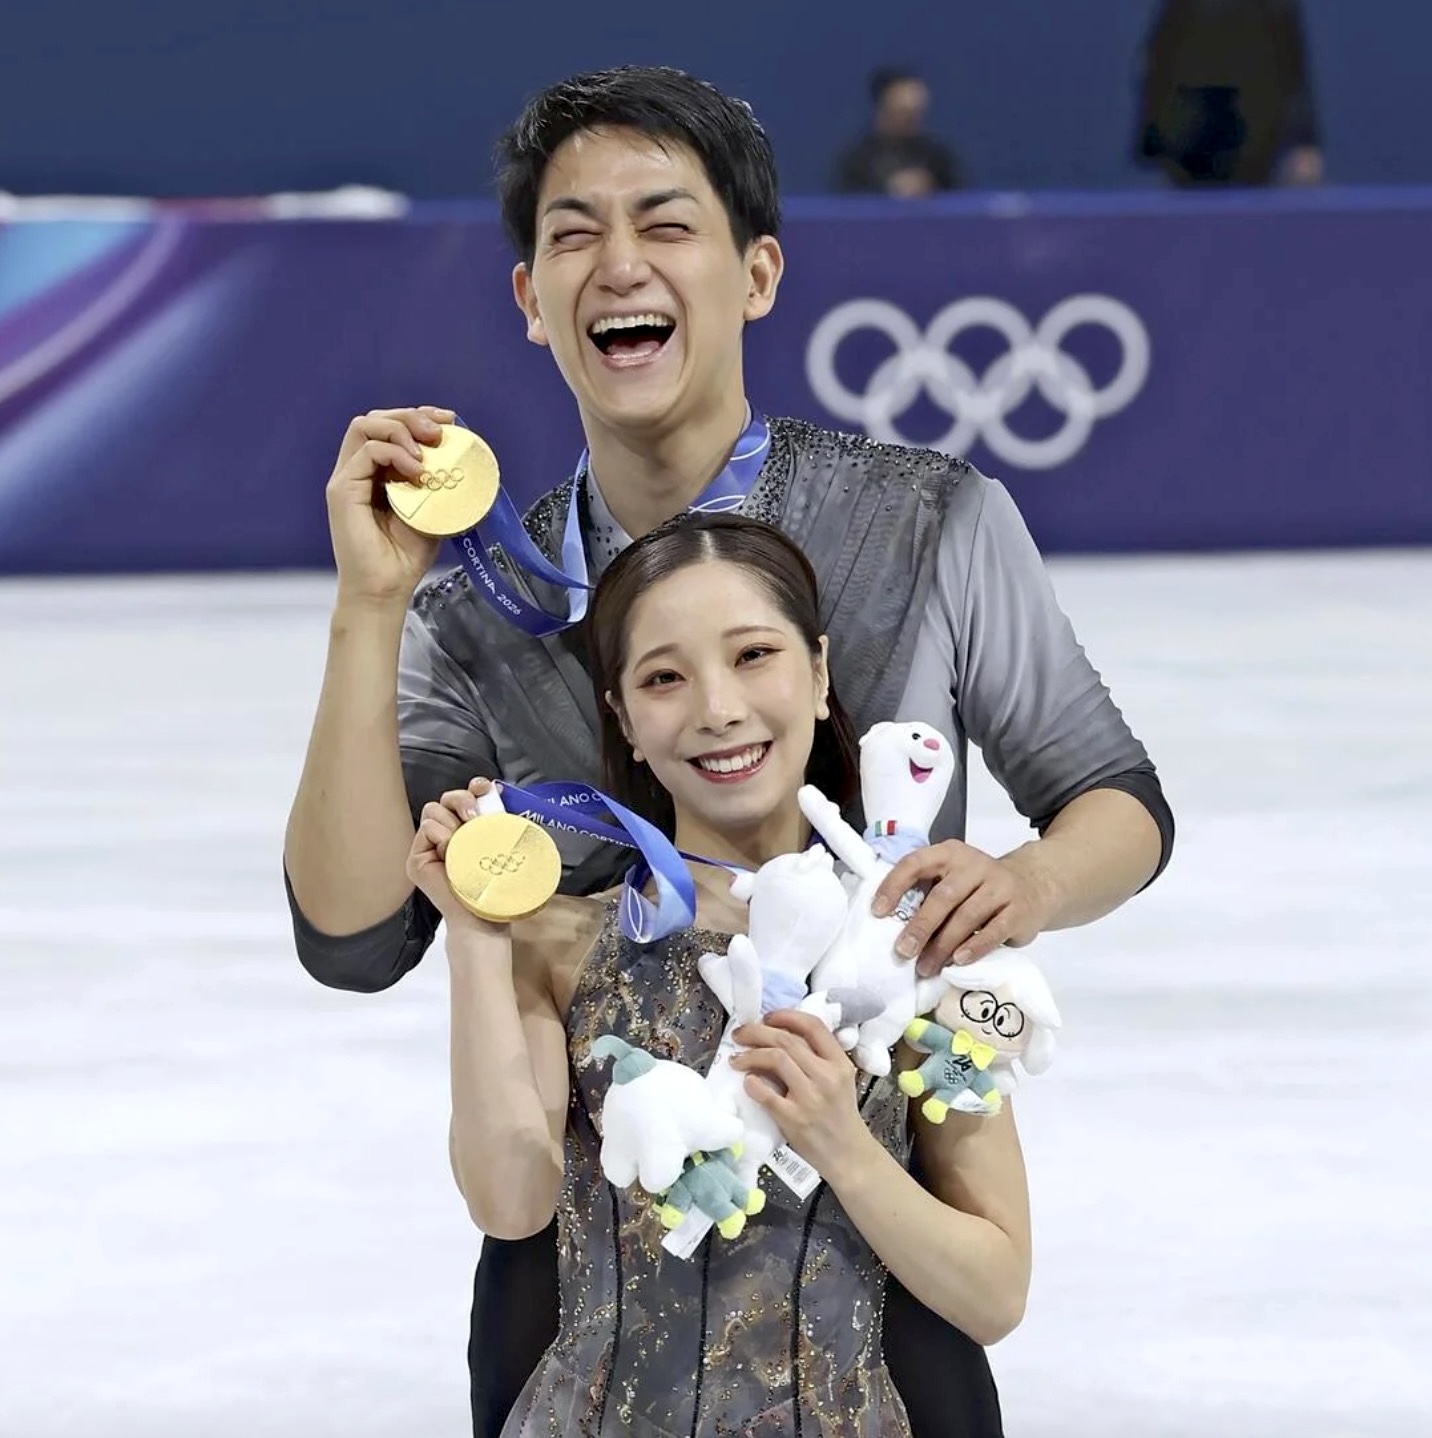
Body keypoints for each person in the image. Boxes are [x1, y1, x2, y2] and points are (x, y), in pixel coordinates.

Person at [282, 65, 1174, 1438]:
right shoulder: (480, 607)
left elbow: (1113, 796)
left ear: (757, 273)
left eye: (664, 222)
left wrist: (1028, 886)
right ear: (529, 296)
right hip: (580, 1304)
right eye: (574, 233)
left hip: (881, 1279)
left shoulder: (928, 523)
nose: (619, 263)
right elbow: (351, 934)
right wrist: (369, 605)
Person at [412, 514, 1033, 1435]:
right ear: (622, 716)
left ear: (818, 674)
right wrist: (474, 932)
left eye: (753, 656)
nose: (717, 708)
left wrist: (841, 1142)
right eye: (664, 677)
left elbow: (994, 1294)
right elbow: (509, 1205)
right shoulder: (558, 944)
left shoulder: (914, 941)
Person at [1134, 0, 1324, 187]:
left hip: (1255, 148)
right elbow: (1158, 65)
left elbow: (1292, 72)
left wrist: (1303, 141)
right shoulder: (1181, 8)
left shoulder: (1274, 8)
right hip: (1191, 147)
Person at [833, 67, 964, 197]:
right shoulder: (858, 160)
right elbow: (848, 201)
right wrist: (887, 188)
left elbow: (960, 197)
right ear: (883, 109)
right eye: (903, 112)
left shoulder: (936, 157)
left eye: (916, 113)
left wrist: (929, 186)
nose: (911, 120)